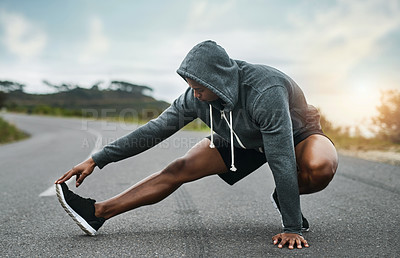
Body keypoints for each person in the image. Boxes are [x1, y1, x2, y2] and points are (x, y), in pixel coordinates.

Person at [55, 40, 338, 250]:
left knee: (320, 166)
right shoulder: (195, 97)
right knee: (179, 167)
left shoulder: (265, 90)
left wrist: (291, 227)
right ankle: (97, 213)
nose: (196, 95)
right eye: (192, 87)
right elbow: (154, 130)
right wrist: (97, 159)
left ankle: (286, 197)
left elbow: (281, 157)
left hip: (295, 133)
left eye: (200, 88)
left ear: (219, 80)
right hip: (240, 137)